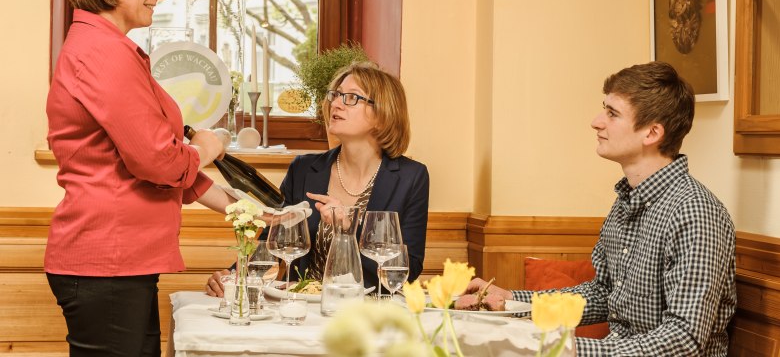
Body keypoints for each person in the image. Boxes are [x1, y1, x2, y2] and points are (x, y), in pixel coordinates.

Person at [46, 0, 236, 356]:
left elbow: (158, 169)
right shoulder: (104, 53)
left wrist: (244, 209)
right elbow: (160, 163)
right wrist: (208, 147)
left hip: (117, 261)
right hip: (108, 260)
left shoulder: (105, 47)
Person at [466, 62, 736, 356]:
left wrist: (562, 348)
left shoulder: (695, 213)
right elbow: (603, 294)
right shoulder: (627, 201)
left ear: (652, 133)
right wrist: (510, 301)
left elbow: (683, 340)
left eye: (612, 114)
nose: (596, 122)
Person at [206, 62, 430, 296]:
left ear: (382, 115)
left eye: (352, 98)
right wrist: (233, 277)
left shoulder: (411, 177)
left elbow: (408, 269)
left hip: (370, 309)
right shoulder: (303, 169)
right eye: (336, 95)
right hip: (302, 307)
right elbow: (271, 245)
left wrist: (348, 230)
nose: (336, 103)